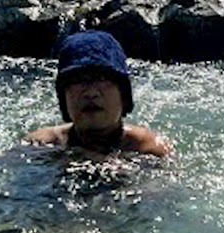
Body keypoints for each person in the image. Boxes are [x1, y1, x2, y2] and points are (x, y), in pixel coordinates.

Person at [26, 31, 174, 157]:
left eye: (102, 79)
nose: (91, 93)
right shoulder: (39, 145)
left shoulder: (149, 149)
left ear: (123, 95)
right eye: (79, 80)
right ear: (64, 96)